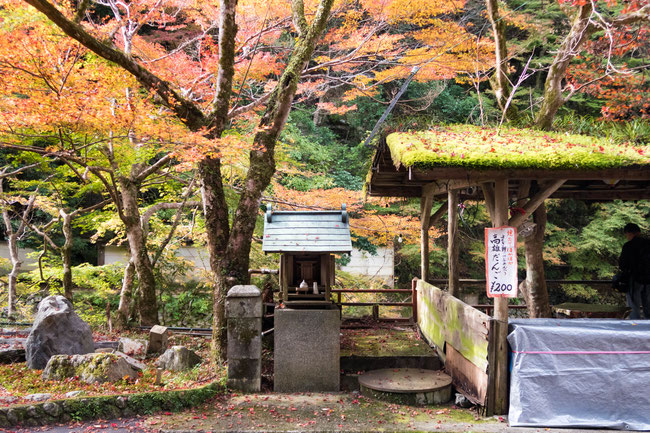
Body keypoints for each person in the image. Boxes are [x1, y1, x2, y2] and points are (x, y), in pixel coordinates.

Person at [618, 223, 650, 319]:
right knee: (648, 305)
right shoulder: (649, 244)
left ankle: (635, 329)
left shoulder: (628, 246)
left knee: (633, 306)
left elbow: (622, 264)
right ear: (639, 232)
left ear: (629, 233)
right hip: (649, 279)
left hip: (634, 279)